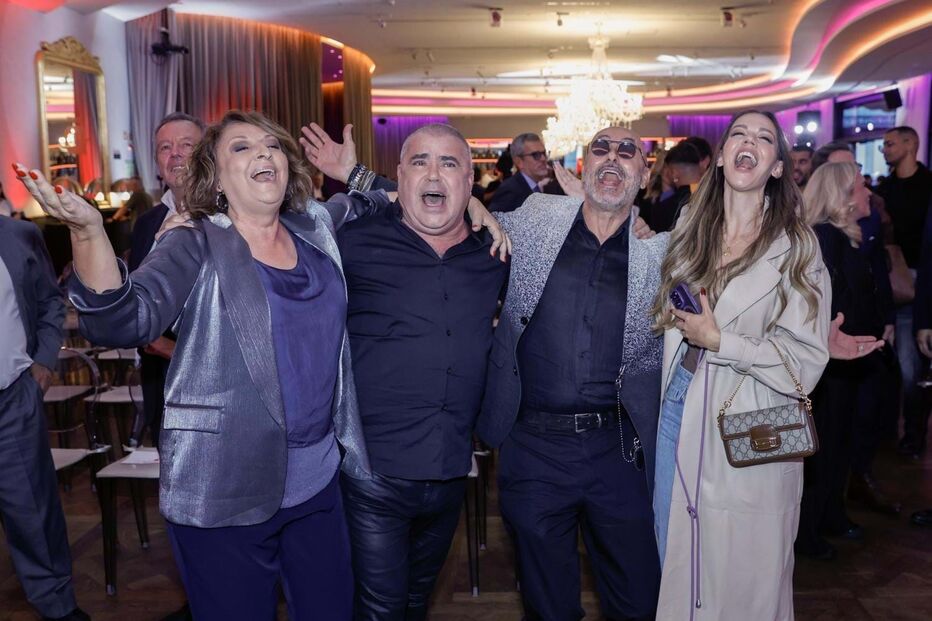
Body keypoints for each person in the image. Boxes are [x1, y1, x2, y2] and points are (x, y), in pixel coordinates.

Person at [16, 111, 382, 621]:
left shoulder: (314, 226)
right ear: (214, 175)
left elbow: (380, 200)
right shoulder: (193, 240)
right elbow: (124, 321)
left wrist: (369, 175)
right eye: (241, 147)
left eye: (272, 145)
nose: (263, 153)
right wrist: (89, 233)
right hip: (223, 486)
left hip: (318, 482)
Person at [478, 126, 669, 620]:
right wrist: (358, 175)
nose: (613, 158)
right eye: (600, 149)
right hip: (535, 447)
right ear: (584, 166)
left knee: (638, 601)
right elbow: (451, 216)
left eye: (628, 152)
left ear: (644, 175)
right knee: (548, 607)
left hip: (620, 452)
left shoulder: (664, 254)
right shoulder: (539, 218)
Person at [651, 110, 830, 619]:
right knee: (680, 560)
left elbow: (806, 362)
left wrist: (721, 340)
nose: (749, 143)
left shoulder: (797, 247)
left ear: (777, 166)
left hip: (755, 421)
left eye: (764, 138)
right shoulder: (689, 227)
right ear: (723, 154)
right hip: (677, 407)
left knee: (746, 574)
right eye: (739, 134)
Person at [335, 124, 510, 619]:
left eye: (450, 164)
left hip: (450, 467)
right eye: (420, 162)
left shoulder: (493, 253)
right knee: (380, 610)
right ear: (399, 178)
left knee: (415, 601)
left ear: (470, 181)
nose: (434, 173)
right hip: (372, 471)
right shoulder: (353, 242)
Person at [796, 162, 891, 559]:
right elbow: (826, 303)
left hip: (848, 362)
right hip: (829, 364)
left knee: (840, 441)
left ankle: (831, 515)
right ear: (843, 197)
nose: (868, 193)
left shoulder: (846, 237)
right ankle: (808, 531)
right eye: (860, 187)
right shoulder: (823, 239)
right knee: (823, 445)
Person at [0, 200, 88, 621]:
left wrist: (44, 360)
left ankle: (58, 606)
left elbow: (52, 302)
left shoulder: (19, 237)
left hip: (12, 401)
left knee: (33, 512)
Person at [126, 112, 206, 449]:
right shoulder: (147, 225)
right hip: (160, 384)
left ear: (208, 154)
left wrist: (173, 348)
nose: (174, 154)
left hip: (214, 387)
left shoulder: (232, 217)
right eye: (164, 147)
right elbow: (134, 299)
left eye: (186, 145)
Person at [877, 126, 932, 459]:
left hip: (917, 284)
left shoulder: (929, 186)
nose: (884, 149)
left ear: (911, 144)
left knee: (912, 368)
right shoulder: (884, 189)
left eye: (890, 143)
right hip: (886, 282)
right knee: (887, 365)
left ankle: (913, 435)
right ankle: (886, 430)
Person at [488, 132, 562, 212]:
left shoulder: (544, 187)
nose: (543, 159)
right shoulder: (510, 190)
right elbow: (493, 221)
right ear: (519, 162)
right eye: (536, 155)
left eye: (544, 153)